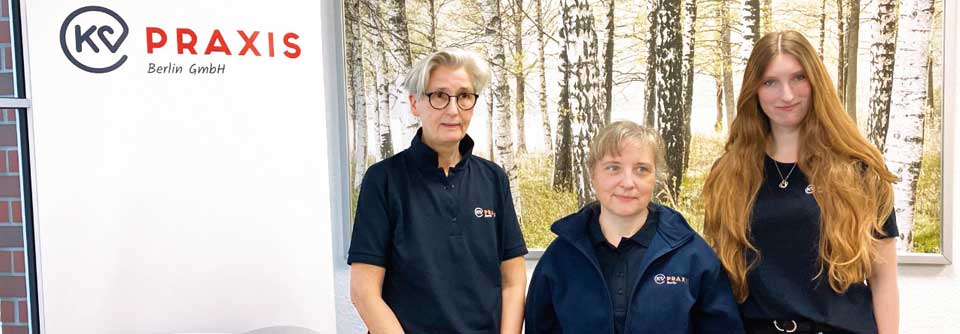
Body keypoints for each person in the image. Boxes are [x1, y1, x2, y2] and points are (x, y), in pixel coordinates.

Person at [702, 31, 899, 334]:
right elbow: (720, 281)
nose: (787, 95)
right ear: (754, 90)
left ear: (816, 82)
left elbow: (884, 281)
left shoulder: (860, 169)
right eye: (770, 82)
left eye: (798, 78)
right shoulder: (728, 174)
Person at [348, 49, 528, 334]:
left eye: (464, 96)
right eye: (439, 96)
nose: (453, 110)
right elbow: (363, 292)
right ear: (415, 103)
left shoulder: (493, 178)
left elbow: (513, 281)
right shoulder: (383, 180)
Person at [525, 120, 744, 334]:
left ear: (655, 177)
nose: (628, 183)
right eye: (613, 168)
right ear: (593, 174)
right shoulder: (560, 257)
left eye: (641, 169)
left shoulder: (692, 256)